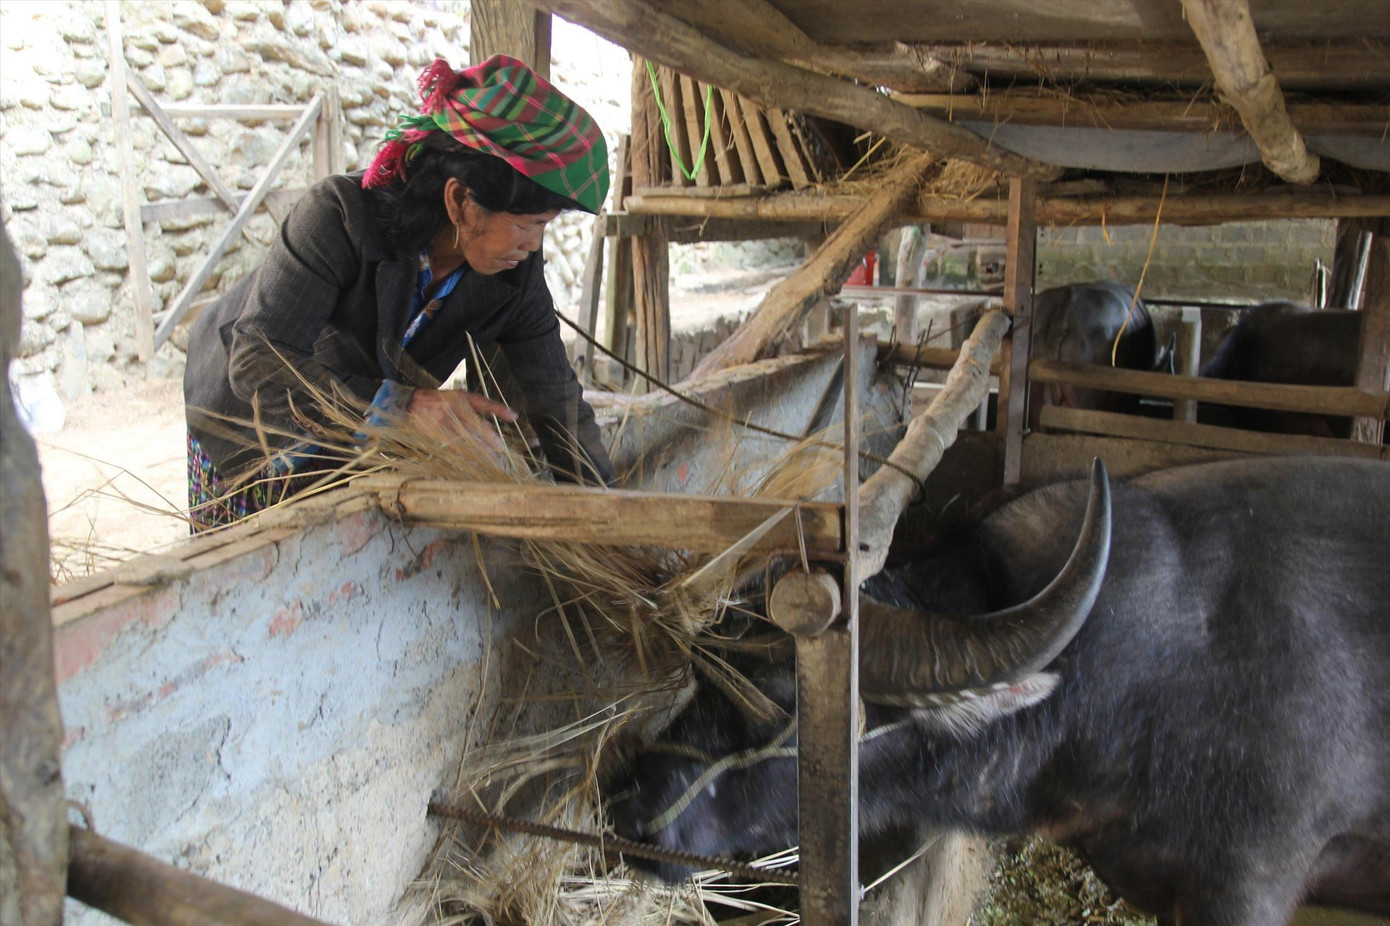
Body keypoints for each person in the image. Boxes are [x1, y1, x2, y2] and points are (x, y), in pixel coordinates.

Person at [183, 55, 616, 531]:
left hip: (350, 439)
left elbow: (557, 402)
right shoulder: (338, 217)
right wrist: (403, 408)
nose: (534, 244)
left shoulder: (514, 274)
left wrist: (610, 518)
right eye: (525, 224)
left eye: (545, 226)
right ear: (459, 200)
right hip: (249, 420)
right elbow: (258, 362)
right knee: (249, 567)